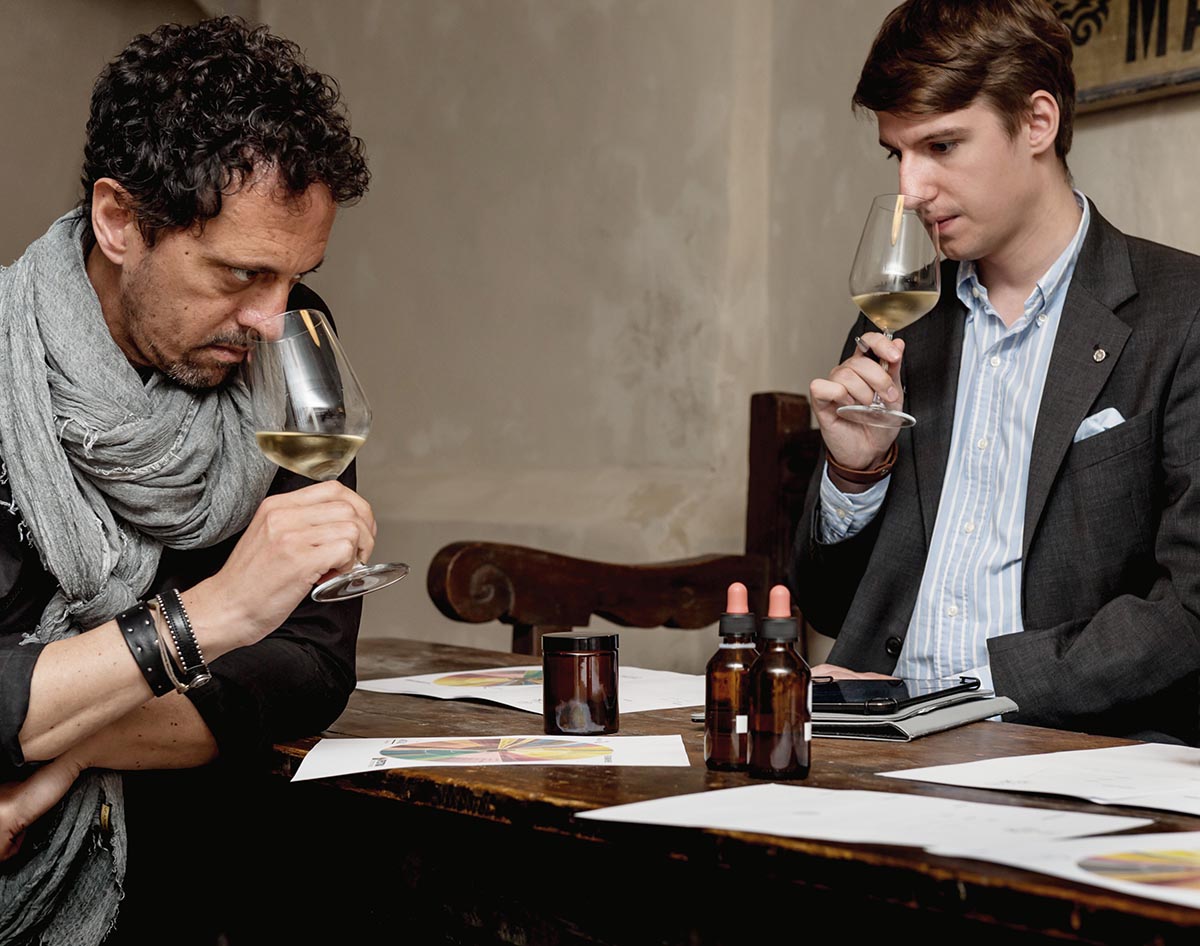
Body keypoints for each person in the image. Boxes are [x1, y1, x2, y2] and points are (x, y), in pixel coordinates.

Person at [0, 17, 374, 944]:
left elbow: (312, 665)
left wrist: (61, 737)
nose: (273, 319)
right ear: (120, 221)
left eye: (297, 277)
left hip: (211, 885)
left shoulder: (288, 344)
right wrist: (211, 618)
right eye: (242, 273)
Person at [791, 0, 1200, 745]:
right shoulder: (898, 320)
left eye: (942, 146)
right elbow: (827, 607)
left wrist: (964, 693)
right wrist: (854, 479)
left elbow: (1190, 614)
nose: (911, 189)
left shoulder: (1183, 314)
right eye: (898, 154)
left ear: (1037, 123)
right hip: (869, 750)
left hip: (1069, 749)